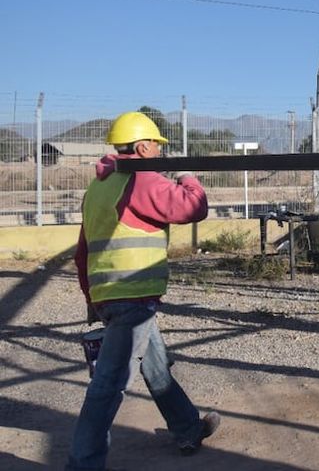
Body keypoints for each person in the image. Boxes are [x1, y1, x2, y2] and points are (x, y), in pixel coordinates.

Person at [66, 111, 220, 470]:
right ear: (141, 146)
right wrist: (187, 176)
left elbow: (82, 253)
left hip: (113, 298)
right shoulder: (140, 180)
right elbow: (193, 206)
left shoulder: (99, 187)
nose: (158, 154)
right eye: (155, 147)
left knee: (155, 367)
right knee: (108, 386)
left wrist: (92, 299)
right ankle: (82, 464)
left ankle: (187, 428)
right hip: (133, 297)